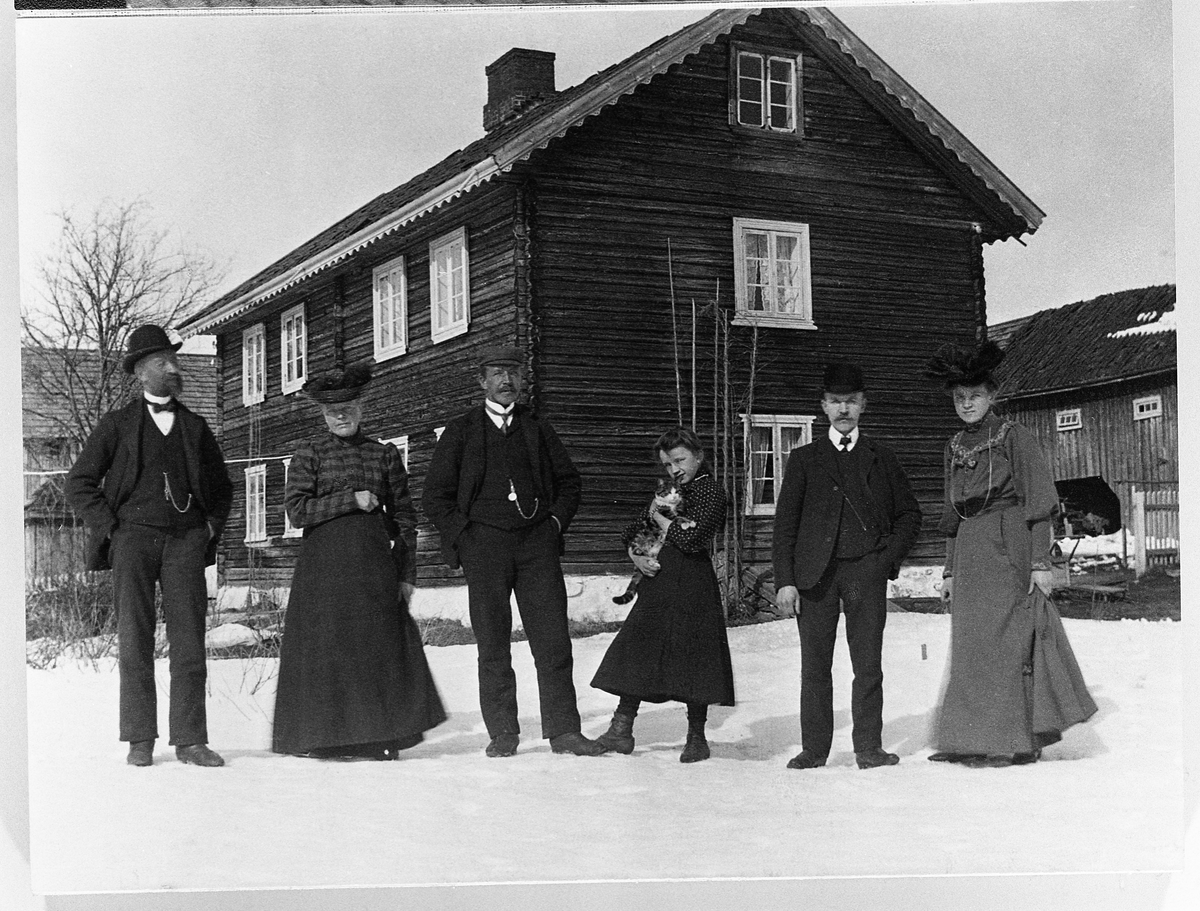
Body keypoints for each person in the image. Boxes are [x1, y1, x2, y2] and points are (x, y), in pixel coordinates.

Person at [422, 346, 604, 758]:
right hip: (483, 549)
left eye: (514, 373)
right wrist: (465, 538)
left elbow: (569, 484)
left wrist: (553, 525)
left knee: (553, 641)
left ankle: (564, 732)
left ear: (523, 379)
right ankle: (502, 732)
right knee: (493, 643)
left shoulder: (537, 427)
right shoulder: (461, 430)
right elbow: (435, 497)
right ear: (481, 381)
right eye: (498, 373)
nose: (508, 380)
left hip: (536, 546)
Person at [66, 324, 233, 767]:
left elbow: (223, 489)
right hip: (132, 542)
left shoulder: (196, 428)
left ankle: (191, 740)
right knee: (134, 639)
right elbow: (79, 482)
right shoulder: (117, 425)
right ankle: (140, 739)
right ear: (141, 371)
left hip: (185, 543)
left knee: (189, 640)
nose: (172, 367)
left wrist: (210, 528)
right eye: (161, 361)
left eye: (173, 359)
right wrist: (111, 528)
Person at [925, 341, 1096, 767]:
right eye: (959, 398)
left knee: (1005, 643)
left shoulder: (1013, 436)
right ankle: (968, 738)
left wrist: (1041, 563)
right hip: (969, 550)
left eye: (975, 396)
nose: (967, 404)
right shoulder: (953, 446)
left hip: (1008, 545)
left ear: (993, 395)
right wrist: (949, 570)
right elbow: (952, 516)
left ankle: (1012, 740)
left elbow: (1039, 501)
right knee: (970, 644)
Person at [271, 364, 446, 761]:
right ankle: (323, 739)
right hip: (323, 572)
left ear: (361, 406)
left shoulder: (383, 454)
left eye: (348, 406)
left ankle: (377, 736)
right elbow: (297, 512)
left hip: (372, 570)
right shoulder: (309, 455)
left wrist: (406, 573)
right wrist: (351, 499)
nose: (341, 415)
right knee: (327, 650)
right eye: (332, 409)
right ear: (322, 413)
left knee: (375, 650)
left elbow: (404, 519)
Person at [772, 363, 922, 770]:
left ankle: (869, 748)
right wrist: (786, 580)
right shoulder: (804, 459)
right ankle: (814, 750)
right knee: (815, 666)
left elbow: (909, 515)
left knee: (868, 665)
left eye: (851, 402)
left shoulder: (882, 458)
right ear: (823, 406)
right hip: (813, 578)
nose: (843, 409)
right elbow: (785, 524)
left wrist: (885, 561)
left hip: (864, 574)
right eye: (836, 402)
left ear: (863, 406)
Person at [591, 427, 734, 763]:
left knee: (693, 654)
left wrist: (658, 517)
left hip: (693, 581)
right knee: (637, 646)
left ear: (698, 456)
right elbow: (634, 530)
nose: (675, 470)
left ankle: (696, 738)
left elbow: (692, 540)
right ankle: (620, 730)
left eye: (680, 460)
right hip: (658, 580)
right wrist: (636, 555)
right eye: (668, 465)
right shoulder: (669, 492)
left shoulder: (711, 492)